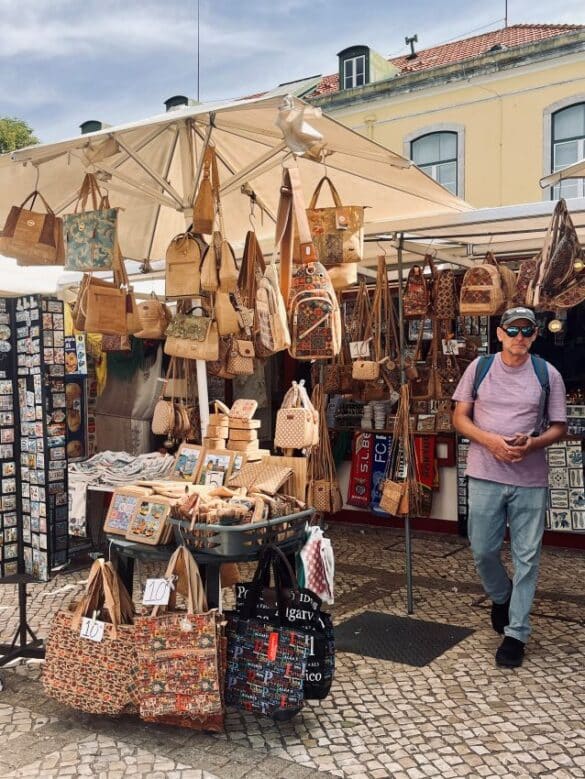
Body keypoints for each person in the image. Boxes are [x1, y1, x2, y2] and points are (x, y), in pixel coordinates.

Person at [452, 307, 567, 668]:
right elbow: (459, 417)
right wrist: (491, 441)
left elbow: (559, 426)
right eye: (513, 330)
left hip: (529, 479)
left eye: (526, 331)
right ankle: (501, 596)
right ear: (500, 333)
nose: (519, 337)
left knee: (527, 557)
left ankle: (516, 633)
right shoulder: (479, 368)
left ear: (534, 335)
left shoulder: (547, 374)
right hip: (485, 473)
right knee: (483, 549)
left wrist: (532, 444)